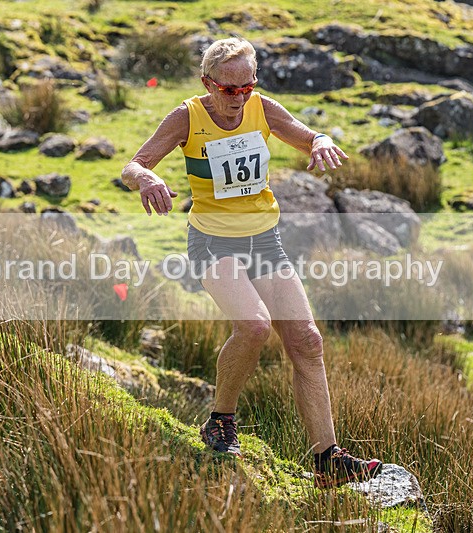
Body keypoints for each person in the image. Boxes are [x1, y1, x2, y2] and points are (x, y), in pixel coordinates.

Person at [121, 37, 382, 487]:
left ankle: (327, 459)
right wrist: (145, 178)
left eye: (248, 87)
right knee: (255, 326)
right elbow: (133, 164)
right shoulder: (188, 115)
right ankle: (220, 420)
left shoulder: (262, 108)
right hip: (213, 243)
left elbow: (306, 133)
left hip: (264, 241)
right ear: (208, 83)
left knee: (307, 340)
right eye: (229, 89)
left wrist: (320, 141)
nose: (239, 98)